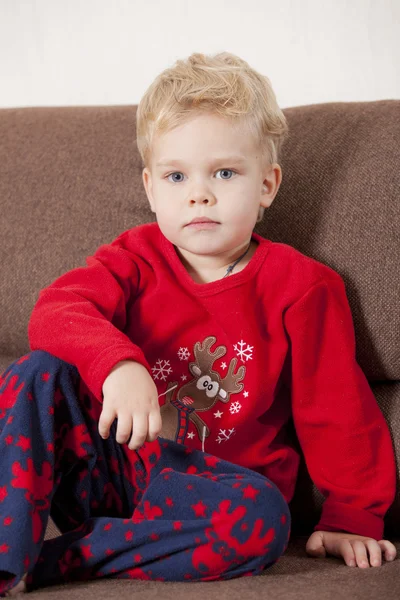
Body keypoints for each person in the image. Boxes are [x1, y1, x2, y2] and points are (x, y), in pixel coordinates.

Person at [0, 51, 397, 596]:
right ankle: (5, 556)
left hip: (212, 495)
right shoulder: (133, 258)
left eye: (226, 172)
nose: (199, 193)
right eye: (177, 175)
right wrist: (117, 364)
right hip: (113, 467)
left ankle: (64, 559)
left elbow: (337, 411)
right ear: (150, 187)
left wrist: (351, 516)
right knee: (34, 371)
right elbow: (57, 309)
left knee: (265, 518)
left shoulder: (302, 287)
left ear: (267, 185)